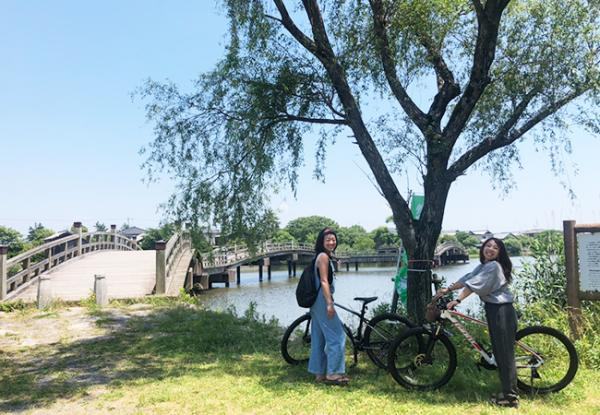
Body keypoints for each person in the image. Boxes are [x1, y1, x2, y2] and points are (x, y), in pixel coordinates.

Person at [439, 237, 519, 408]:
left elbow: (473, 286)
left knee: (504, 355)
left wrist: (457, 300)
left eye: (495, 248)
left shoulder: (493, 266)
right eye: (488, 246)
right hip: (494, 309)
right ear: (483, 248)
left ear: (500, 253)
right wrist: (448, 289)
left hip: (501, 311)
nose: (490, 249)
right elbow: (468, 278)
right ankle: (507, 391)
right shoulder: (484, 265)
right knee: (500, 352)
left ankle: (510, 397)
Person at [308, 227, 349, 385]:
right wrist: (329, 304)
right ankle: (334, 373)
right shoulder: (324, 257)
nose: (332, 242)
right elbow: (324, 281)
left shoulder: (320, 256)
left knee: (318, 337)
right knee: (337, 336)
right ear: (321, 242)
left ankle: (319, 373)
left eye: (333, 239)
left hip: (316, 302)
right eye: (328, 240)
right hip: (322, 300)